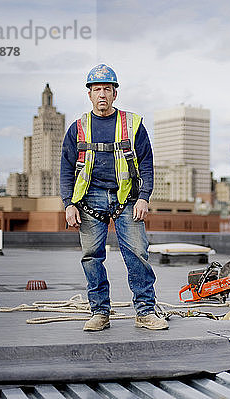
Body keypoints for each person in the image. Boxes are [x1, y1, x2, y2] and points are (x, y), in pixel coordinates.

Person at [60, 64, 168, 332]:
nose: (102, 95)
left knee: (137, 254)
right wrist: (68, 203)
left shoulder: (132, 125)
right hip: (89, 198)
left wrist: (144, 197)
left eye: (107, 89)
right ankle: (99, 312)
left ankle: (145, 312)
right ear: (89, 94)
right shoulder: (78, 128)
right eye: (97, 89)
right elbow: (65, 167)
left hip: (126, 198)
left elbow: (146, 163)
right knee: (91, 256)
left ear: (115, 93)